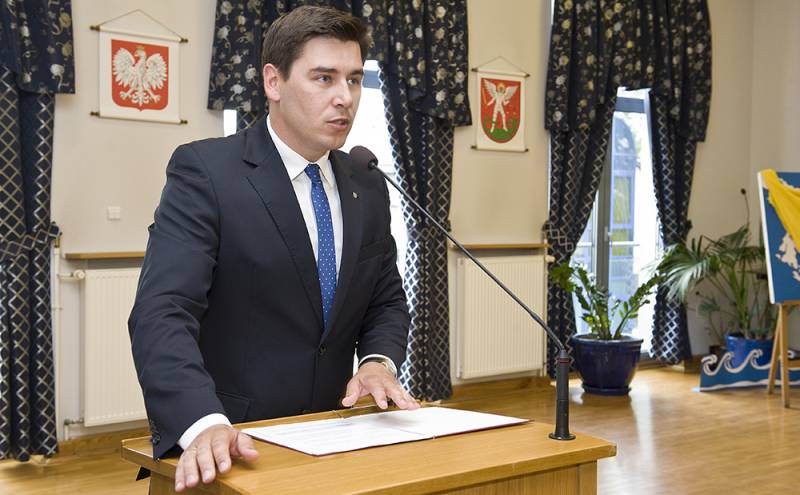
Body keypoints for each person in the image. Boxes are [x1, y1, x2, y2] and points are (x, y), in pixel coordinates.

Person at [128, 6, 418, 492]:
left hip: (335, 439)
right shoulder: (207, 171)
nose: (344, 97)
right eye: (323, 78)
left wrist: (376, 362)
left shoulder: (366, 183)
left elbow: (385, 300)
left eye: (353, 79)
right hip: (230, 445)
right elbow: (162, 312)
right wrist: (202, 422)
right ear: (273, 82)